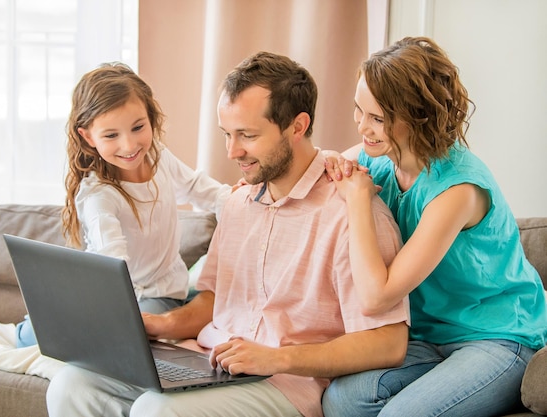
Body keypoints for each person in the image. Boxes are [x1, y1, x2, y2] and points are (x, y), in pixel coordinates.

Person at [45, 51, 410, 417]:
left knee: (158, 411)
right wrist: (158, 324)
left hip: (282, 382)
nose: (233, 151)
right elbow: (216, 298)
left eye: (247, 136)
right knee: (72, 386)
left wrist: (275, 358)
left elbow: (389, 343)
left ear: (297, 127)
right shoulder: (239, 203)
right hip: (209, 361)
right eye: (227, 135)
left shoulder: (351, 211)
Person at [322, 36, 547, 417]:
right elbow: (320, 167)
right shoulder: (378, 156)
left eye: (377, 119)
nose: (361, 126)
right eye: (358, 111)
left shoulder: (457, 189)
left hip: (496, 337)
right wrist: (254, 185)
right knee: (342, 401)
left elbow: (378, 297)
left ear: (417, 115)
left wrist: (359, 202)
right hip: (426, 337)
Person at [15, 62, 231, 348]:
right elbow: (112, 265)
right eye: (111, 135)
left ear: (151, 118)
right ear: (88, 137)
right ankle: (26, 330)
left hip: (162, 294)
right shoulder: (99, 196)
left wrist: (240, 202)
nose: (129, 146)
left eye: (138, 127)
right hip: (111, 296)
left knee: (144, 335)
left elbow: (197, 189)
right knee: (36, 335)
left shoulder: (158, 156)